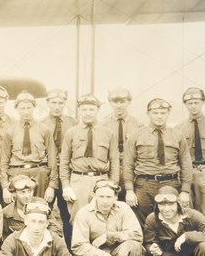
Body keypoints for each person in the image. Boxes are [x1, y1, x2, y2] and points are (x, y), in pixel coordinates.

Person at [123, 98, 193, 224]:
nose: (159, 116)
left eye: (163, 113)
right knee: (142, 222)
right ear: (148, 114)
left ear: (167, 114)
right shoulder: (136, 135)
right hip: (144, 185)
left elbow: (186, 164)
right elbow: (128, 164)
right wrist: (129, 190)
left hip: (170, 183)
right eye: (155, 113)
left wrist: (184, 191)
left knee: (174, 219)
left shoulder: (177, 135)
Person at [71, 180, 143, 256]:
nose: (105, 201)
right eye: (101, 196)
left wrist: (110, 236)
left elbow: (137, 235)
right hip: (94, 255)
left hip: (118, 253)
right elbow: (78, 245)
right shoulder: (83, 213)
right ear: (94, 195)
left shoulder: (124, 208)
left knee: (134, 246)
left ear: (115, 196)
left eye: (109, 197)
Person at [59, 94, 119, 222]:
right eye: (84, 109)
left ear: (97, 110)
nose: (88, 113)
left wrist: (113, 186)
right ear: (79, 110)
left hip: (101, 179)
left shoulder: (108, 133)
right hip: (78, 180)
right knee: (78, 219)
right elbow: (64, 161)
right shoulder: (71, 133)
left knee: (102, 218)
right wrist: (66, 186)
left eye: (91, 109)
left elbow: (114, 162)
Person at [1, 90, 57, 204]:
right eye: (22, 108)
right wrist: (4, 186)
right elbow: (4, 161)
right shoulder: (10, 132)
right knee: (18, 210)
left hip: (39, 173)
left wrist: (51, 185)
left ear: (34, 107)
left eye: (29, 107)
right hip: (17, 173)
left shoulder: (44, 129)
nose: (26, 112)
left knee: (40, 207)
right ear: (16, 108)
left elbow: (52, 159)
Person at [177, 87, 205, 216]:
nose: (193, 106)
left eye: (196, 102)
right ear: (185, 105)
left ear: (203, 102)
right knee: (186, 211)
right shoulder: (179, 128)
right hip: (186, 173)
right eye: (189, 103)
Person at [41, 89, 78, 227]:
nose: (57, 106)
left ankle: (70, 246)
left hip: (67, 173)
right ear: (47, 103)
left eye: (60, 103)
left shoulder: (74, 123)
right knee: (43, 209)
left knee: (68, 213)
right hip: (48, 172)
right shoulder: (41, 124)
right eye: (53, 102)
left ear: (65, 104)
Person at [100, 87, 142, 202]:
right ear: (110, 103)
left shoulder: (138, 125)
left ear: (129, 102)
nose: (119, 106)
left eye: (122, 102)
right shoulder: (103, 125)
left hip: (132, 170)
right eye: (115, 102)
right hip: (111, 170)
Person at [2, 175, 63, 241]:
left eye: (29, 191)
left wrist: (47, 240)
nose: (27, 196)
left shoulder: (41, 204)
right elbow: (5, 238)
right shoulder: (7, 213)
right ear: (14, 193)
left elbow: (54, 228)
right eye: (22, 192)